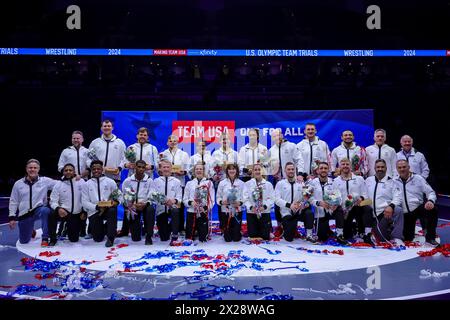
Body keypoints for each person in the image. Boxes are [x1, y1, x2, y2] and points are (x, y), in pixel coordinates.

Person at [118, 127, 158, 238]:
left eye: (144, 135)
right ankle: (125, 229)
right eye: (140, 134)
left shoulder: (152, 148)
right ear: (137, 136)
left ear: (147, 137)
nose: (142, 136)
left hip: (147, 179)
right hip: (132, 179)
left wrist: (152, 166)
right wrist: (127, 165)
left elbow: (158, 164)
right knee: (130, 203)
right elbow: (123, 162)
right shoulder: (131, 148)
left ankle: (147, 228)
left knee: (145, 203)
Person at [8, 159, 56, 246]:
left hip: (39, 209)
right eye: (30, 167)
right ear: (26, 169)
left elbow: (60, 185)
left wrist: (71, 177)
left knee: (46, 211)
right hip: (24, 213)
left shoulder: (45, 181)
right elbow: (13, 201)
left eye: (35, 168)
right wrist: (12, 217)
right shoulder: (18, 184)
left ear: (38, 169)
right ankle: (31, 230)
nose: (32, 169)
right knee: (24, 241)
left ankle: (45, 238)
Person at [394, 160, 438, 246]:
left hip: (418, 208)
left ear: (409, 167)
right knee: (407, 238)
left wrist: (430, 201)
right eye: (399, 168)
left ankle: (430, 238)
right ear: (396, 169)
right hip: (404, 213)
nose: (402, 169)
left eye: (404, 167)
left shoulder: (418, 178)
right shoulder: (394, 180)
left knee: (433, 209)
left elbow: (431, 192)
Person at [332, 158, 374, 244]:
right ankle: (340, 234)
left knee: (368, 206)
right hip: (345, 211)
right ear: (339, 167)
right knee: (347, 235)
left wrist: (361, 198)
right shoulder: (335, 181)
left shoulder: (359, 179)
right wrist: (338, 205)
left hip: (357, 206)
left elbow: (366, 194)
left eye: (347, 164)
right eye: (343, 164)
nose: (345, 166)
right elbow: (334, 198)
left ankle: (367, 234)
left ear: (351, 166)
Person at [57, 130, 90, 238]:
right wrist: (69, 174)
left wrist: (80, 175)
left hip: (82, 181)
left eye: (78, 138)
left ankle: (83, 227)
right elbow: (60, 166)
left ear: (82, 139)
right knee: (68, 204)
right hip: (67, 182)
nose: (76, 140)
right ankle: (64, 226)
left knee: (82, 203)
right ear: (72, 139)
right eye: (74, 138)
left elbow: (90, 167)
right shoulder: (66, 151)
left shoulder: (87, 151)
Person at [81, 160, 120, 247]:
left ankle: (111, 237)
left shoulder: (110, 181)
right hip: (94, 211)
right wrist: (97, 207)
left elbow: (119, 196)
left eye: (98, 169)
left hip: (108, 209)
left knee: (112, 210)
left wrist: (116, 202)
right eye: (94, 169)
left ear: (102, 169)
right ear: (91, 170)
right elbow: (84, 202)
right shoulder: (86, 184)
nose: (96, 171)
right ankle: (106, 228)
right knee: (98, 239)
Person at [275, 162, 316, 242]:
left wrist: (303, 205)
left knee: (309, 213)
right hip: (287, 212)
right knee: (289, 238)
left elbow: (307, 199)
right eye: (289, 169)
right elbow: (276, 199)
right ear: (285, 171)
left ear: (295, 171)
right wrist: (289, 205)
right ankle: (285, 228)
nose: (291, 171)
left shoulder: (301, 183)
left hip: (299, 211)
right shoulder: (280, 183)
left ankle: (309, 235)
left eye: (292, 169)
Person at [365, 159, 404, 245]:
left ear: (386, 168)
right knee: (381, 238)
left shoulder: (392, 182)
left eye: (382, 167)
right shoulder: (368, 180)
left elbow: (398, 197)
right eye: (378, 167)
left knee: (398, 210)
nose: (380, 169)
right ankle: (363, 232)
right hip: (371, 214)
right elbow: (365, 195)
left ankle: (397, 237)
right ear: (374, 168)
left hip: (385, 213)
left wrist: (391, 206)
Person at [268, 129, 298, 237]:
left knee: (293, 200)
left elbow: (298, 160)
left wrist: (299, 174)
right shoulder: (271, 150)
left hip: (292, 179)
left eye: (279, 135)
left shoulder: (291, 146)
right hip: (278, 180)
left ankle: (293, 225)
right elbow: (269, 166)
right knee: (278, 203)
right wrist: (272, 172)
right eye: (275, 136)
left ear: (282, 135)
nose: (277, 137)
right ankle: (280, 226)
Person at [309, 162, 347, 244]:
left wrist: (336, 204)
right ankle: (326, 229)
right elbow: (309, 198)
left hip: (331, 209)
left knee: (339, 210)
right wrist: (318, 203)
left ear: (328, 170)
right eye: (321, 168)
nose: (323, 170)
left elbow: (339, 196)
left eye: (325, 168)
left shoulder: (333, 182)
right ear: (318, 171)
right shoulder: (312, 183)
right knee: (322, 237)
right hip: (320, 211)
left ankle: (339, 234)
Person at [48, 163, 86, 246]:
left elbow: (86, 197)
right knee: (51, 214)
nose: (68, 172)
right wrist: (58, 208)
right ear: (63, 172)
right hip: (64, 212)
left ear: (74, 172)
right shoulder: (58, 184)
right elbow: (52, 201)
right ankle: (52, 238)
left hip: (76, 213)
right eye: (66, 170)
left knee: (74, 239)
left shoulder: (81, 182)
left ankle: (66, 227)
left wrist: (84, 211)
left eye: (70, 170)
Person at [160, 135, 189, 234]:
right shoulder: (163, 154)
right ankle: (165, 226)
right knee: (165, 204)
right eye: (170, 141)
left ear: (178, 142)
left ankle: (180, 228)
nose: (172, 142)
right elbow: (159, 169)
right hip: (166, 183)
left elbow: (187, 170)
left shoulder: (184, 154)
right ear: (167, 142)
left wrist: (182, 172)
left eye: (175, 141)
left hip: (179, 182)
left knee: (179, 206)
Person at [121, 160, 156, 245]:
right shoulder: (128, 181)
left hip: (145, 205)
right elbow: (123, 198)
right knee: (135, 238)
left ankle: (148, 236)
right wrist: (131, 205)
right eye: (139, 167)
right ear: (134, 167)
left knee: (150, 209)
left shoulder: (149, 181)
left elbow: (152, 196)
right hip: (133, 207)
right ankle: (138, 228)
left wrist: (146, 203)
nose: (141, 169)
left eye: (143, 167)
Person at [211, 133, 239, 231]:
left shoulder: (235, 153)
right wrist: (214, 175)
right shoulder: (215, 154)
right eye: (222, 139)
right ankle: (223, 226)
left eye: (226, 139)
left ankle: (234, 224)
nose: (224, 141)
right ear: (219, 141)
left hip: (233, 181)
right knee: (222, 203)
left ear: (230, 141)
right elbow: (211, 168)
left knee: (234, 201)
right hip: (221, 181)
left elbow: (238, 167)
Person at [152, 160, 182, 245]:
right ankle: (167, 230)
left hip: (172, 208)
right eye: (164, 167)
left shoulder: (176, 181)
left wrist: (174, 201)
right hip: (161, 209)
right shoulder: (156, 181)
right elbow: (153, 196)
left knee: (175, 211)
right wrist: (162, 201)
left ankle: (175, 234)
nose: (166, 169)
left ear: (171, 169)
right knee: (164, 238)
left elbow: (179, 197)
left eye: (168, 167)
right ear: (160, 169)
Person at [183, 163, 215, 242]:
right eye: (197, 169)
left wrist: (205, 208)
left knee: (203, 239)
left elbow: (212, 200)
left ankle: (201, 231)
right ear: (194, 171)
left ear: (204, 171)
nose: (199, 170)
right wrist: (191, 203)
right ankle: (191, 229)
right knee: (189, 238)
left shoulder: (209, 183)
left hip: (203, 212)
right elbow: (184, 200)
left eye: (201, 169)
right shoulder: (189, 183)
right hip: (191, 211)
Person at [243, 163, 274, 240]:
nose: (257, 171)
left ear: (262, 171)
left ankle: (267, 230)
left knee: (265, 237)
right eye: (255, 170)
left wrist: (264, 207)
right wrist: (250, 207)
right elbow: (245, 198)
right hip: (252, 213)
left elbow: (272, 198)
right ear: (252, 172)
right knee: (253, 236)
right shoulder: (247, 184)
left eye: (259, 169)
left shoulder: (268, 184)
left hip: (264, 212)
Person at [216, 163, 245, 242]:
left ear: (237, 171)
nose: (232, 171)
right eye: (230, 169)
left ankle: (238, 231)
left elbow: (244, 197)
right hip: (225, 211)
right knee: (227, 239)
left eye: (233, 169)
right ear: (227, 171)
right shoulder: (222, 183)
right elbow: (218, 197)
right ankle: (225, 232)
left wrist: (240, 203)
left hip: (237, 211)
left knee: (236, 238)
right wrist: (222, 202)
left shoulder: (241, 183)